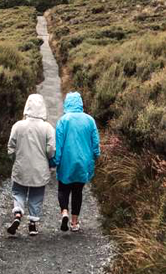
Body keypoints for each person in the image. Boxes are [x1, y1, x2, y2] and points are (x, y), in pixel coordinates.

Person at [6, 93, 56, 236]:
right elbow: (51, 149)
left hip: (21, 166)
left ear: (27, 106)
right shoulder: (47, 128)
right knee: (36, 195)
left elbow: (11, 146)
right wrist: (48, 160)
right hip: (40, 169)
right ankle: (32, 224)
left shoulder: (18, 126)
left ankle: (17, 214)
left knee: (18, 191)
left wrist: (14, 158)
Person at [54, 91, 100, 232]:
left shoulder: (63, 120)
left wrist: (56, 161)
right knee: (77, 191)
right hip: (83, 162)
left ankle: (64, 212)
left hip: (66, 161)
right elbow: (95, 142)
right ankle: (74, 223)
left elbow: (58, 144)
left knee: (63, 189)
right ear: (80, 103)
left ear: (67, 104)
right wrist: (96, 155)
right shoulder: (89, 120)